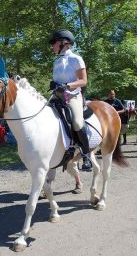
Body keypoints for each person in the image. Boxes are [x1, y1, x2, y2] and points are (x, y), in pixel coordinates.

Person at [49, 29, 91, 169]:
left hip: (72, 96)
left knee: (78, 123)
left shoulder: (76, 59)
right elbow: (57, 80)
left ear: (63, 43)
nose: (52, 46)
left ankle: (86, 156)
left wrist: (67, 85)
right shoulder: (56, 62)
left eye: (54, 43)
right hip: (57, 97)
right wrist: (54, 84)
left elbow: (83, 81)